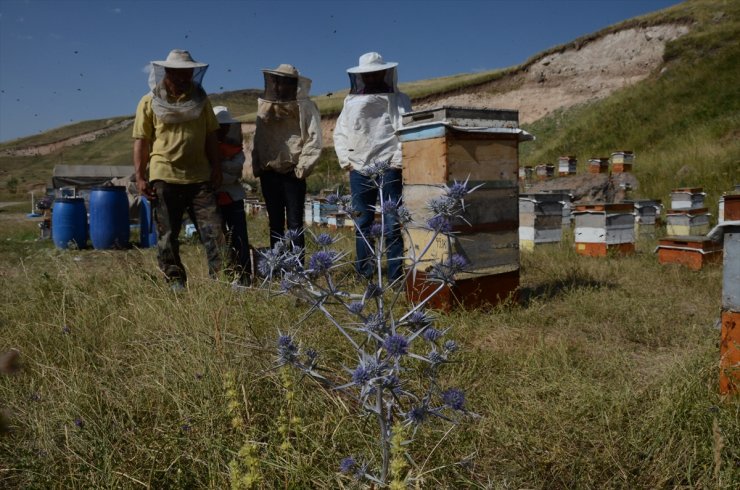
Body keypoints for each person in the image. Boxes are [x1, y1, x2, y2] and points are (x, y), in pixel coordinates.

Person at [132, 49, 226, 291]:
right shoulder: (148, 102)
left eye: (189, 74)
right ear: (168, 73)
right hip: (164, 176)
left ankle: (221, 280)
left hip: (200, 177)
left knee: (215, 231)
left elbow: (211, 136)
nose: (185, 79)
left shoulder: (202, 101)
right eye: (180, 74)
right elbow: (141, 141)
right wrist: (140, 177)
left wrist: (217, 167)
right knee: (167, 235)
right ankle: (175, 281)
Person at [333, 52, 412, 283]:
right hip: (359, 168)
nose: (370, 78)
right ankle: (365, 274)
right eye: (366, 75)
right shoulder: (350, 101)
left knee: (392, 222)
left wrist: (397, 161)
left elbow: (406, 133)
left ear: (383, 73)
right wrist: (347, 161)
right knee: (362, 223)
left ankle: (395, 276)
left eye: (374, 73)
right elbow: (340, 133)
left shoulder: (399, 99)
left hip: (389, 167)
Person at [251, 64, 322, 262]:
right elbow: (258, 139)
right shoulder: (265, 106)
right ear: (273, 82)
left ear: (293, 84)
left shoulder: (306, 106)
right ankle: (278, 265)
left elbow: (314, 140)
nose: (281, 86)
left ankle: (298, 268)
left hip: (292, 174)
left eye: (286, 82)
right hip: (269, 172)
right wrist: (258, 166)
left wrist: (301, 169)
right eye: (278, 81)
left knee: (294, 223)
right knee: (274, 223)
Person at [213, 105, 252, 286]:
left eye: (226, 125)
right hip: (212, 200)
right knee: (218, 240)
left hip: (233, 198)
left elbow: (235, 171)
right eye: (221, 125)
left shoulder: (235, 149)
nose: (225, 129)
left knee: (239, 239)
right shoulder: (205, 146)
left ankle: (244, 276)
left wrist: (218, 169)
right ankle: (224, 277)